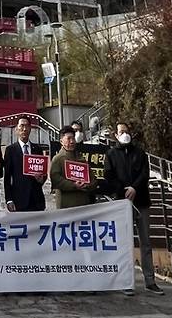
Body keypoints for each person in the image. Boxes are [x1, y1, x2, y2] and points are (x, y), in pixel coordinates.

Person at [102, 121, 164, 295]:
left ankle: (150, 281)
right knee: (125, 243)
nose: (124, 134)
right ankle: (126, 281)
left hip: (141, 201)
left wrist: (134, 188)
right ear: (115, 135)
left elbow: (145, 174)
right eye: (121, 131)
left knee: (146, 242)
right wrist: (123, 190)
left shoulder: (140, 153)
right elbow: (109, 175)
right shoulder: (111, 154)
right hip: (122, 203)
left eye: (126, 131)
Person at [4, 115, 47, 212]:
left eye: (27, 126)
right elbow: (7, 178)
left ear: (30, 129)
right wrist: (9, 199)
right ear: (16, 129)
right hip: (19, 200)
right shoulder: (10, 150)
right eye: (21, 126)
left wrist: (41, 179)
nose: (24, 129)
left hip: (37, 200)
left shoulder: (38, 149)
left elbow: (44, 173)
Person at [50, 125, 97, 209]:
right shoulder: (58, 159)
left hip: (84, 204)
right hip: (66, 205)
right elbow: (56, 180)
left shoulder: (81, 158)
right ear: (61, 141)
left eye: (73, 138)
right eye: (68, 139)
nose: (72, 141)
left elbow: (93, 180)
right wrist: (74, 185)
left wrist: (87, 185)